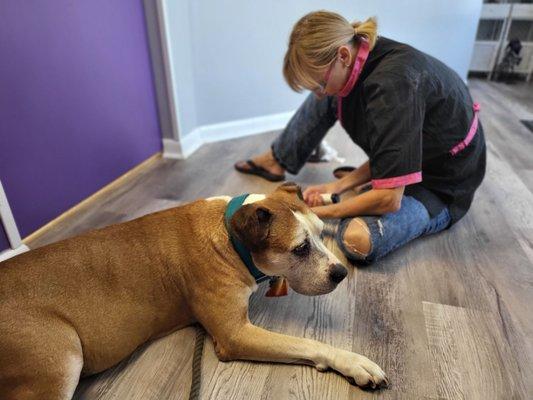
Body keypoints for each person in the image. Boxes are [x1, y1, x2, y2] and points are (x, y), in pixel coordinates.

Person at [235, 11, 486, 265]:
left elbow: (389, 199)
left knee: (358, 240)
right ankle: (286, 162)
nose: (319, 94)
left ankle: (370, 192)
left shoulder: (391, 87)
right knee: (334, 98)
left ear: (343, 55)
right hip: (418, 156)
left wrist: (314, 214)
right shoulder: (361, 52)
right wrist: (335, 187)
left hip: (442, 184)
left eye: (319, 85)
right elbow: (400, 147)